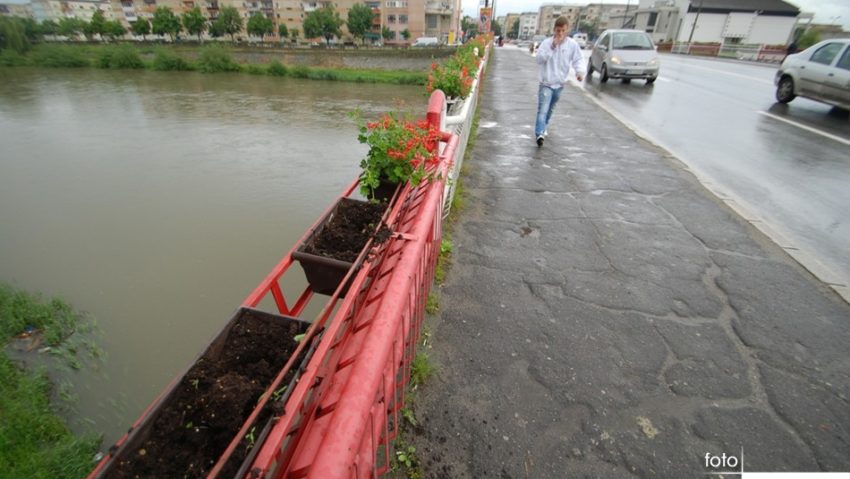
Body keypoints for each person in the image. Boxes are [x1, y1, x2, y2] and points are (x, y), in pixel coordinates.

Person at [534, 16, 586, 147]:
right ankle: (539, 133)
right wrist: (552, 47)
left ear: (567, 30)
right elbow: (539, 59)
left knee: (550, 109)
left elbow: (578, 59)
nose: (560, 34)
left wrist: (579, 72)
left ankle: (544, 127)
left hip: (560, 83)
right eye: (558, 30)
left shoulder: (571, 45)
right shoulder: (547, 43)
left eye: (563, 31)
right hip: (546, 82)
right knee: (543, 109)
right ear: (554, 30)